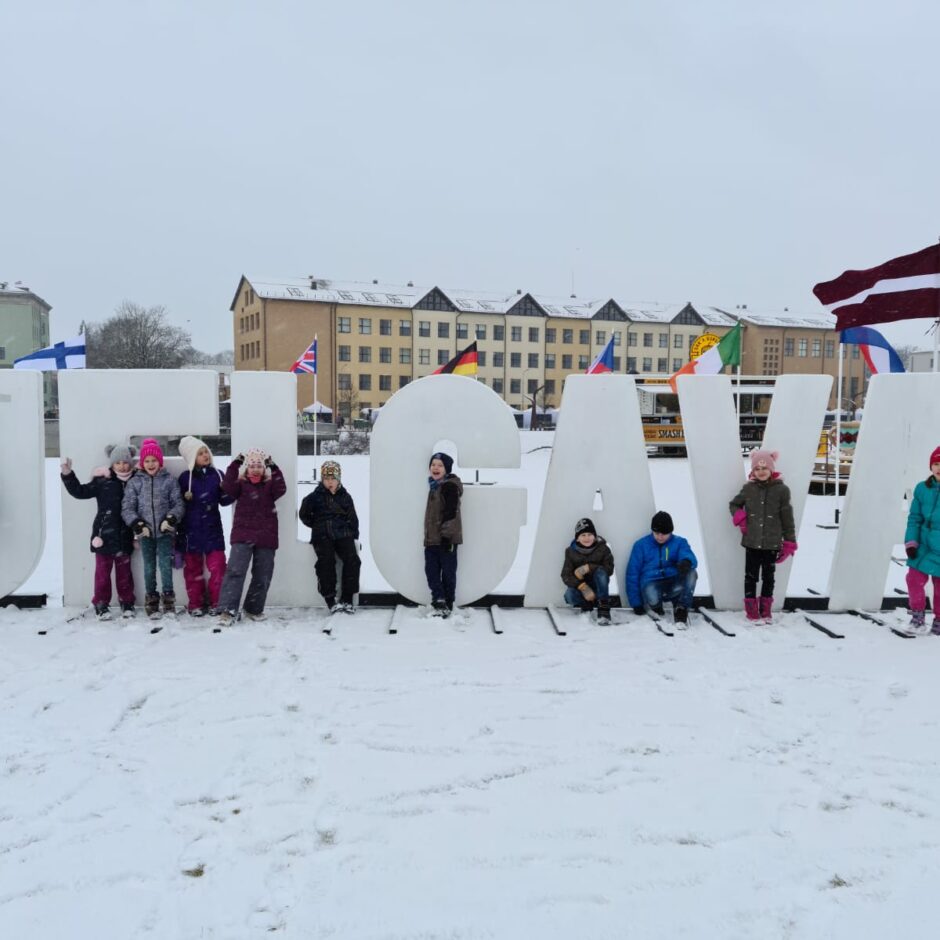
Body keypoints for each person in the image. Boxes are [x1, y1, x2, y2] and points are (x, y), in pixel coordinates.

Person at [61, 443, 138, 620]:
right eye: (118, 463)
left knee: (125, 574)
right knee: (102, 573)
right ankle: (101, 603)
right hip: (103, 535)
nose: (122, 466)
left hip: (125, 535)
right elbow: (79, 491)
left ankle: (127, 602)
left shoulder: (136, 481)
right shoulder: (103, 481)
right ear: (112, 464)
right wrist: (68, 474)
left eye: (125, 462)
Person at [216, 448, 287, 625]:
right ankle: (228, 610)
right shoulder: (240, 485)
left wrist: (274, 467)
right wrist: (236, 463)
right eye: (252, 466)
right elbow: (227, 485)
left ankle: (253, 609)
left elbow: (281, 488)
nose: (256, 469)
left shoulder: (270, 486)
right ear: (247, 468)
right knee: (235, 571)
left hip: (266, 536)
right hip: (243, 534)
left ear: (264, 469)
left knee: (263, 574)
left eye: (259, 466)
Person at [728, 449, 796, 624]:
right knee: (750, 577)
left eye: (764, 468)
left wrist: (789, 542)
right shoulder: (748, 488)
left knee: (768, 577)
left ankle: (765, 610)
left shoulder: (782, 490)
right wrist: (741, 518)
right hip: (751, 542)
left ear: (771, 469)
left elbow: (787, 518)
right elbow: (734, 504)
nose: (761, 472)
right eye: (757, 469)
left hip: (772, 543)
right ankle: (751, 610)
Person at [121, 438, 185, 620]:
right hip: (145, 533)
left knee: (165, 566)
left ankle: (169, 601)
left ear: (160, 462)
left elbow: (178, 504)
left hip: (165, 532)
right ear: (142, 463)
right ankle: (152, 600)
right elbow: (127, 507)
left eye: (154, 460)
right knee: (149, 567)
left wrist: (171, 519)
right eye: (147, 461)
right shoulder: (135, 482)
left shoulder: (169, 481)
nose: (150, 464)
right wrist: (138, 524)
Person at [177, 435, 233, 617]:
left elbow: (225, 501)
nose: (205, 455)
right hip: (190, 531)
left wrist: (228, 489)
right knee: (193, 570)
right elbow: (177, 504)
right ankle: (196, 604)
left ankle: (218, 602)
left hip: (212, 529)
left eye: (206, 451)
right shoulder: (185, 478)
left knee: (218, 567)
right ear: (191, 458)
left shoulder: (217, 475)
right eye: (200, 453)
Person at [299, 460, 361, 613]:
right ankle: (330, 599)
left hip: (343, 533)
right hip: (322, 535)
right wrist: (317, 525)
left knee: (352, 560)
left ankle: (347, 598)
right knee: (326, 562)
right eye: (326, 479)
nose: (330, 482)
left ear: (339, 479)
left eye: (333, 478)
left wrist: (353, 535)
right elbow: (304, 514)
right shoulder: (314, 497)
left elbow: (353, 518)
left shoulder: (345, 497)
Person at [625, 511, 697, 626]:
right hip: (651, 583)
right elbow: (632, 574)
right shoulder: (640, 545)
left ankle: (681, 607)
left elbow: (687, 554)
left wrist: (686, 561)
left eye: (664, 534)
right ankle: (656, 606)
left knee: (692, 573)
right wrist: (636, 603)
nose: (660, 537)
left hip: (673, 582)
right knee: (651, 593)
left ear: (670, 532)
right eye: (657, 533)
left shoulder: (679, 542)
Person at [903, 446, 940, 634]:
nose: (939, 468)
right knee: (913, 579)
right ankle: (917, 615)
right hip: (924, 545)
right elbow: (914, 518)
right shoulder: (922, 488)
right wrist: (911, 542)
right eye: (936, 463)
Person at [424, 451, 463, 617]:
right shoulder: (434, 486)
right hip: (432, 540)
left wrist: (447, 536)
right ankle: (439, 600)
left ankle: (448, 602)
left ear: (446, 469)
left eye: (440, 465)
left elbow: (451, 513)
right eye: (433, 464)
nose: (435, 468)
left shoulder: (449, 487)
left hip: (447, 540)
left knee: (448, 573)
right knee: (431, 572)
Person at [561, 517, 615, 624]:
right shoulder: (570, 552)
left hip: (599, 588)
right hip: (582, 588)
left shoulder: (603, 549)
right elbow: (566, 575)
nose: (587, 538)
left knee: (601, 572)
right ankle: (586, 604)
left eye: (590, 534)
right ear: (577, 538)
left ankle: (603, 608)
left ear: (595, 536)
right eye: (583, 535)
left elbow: (609, 569)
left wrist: (589, 567)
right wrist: (582, 587)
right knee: (569, 595)